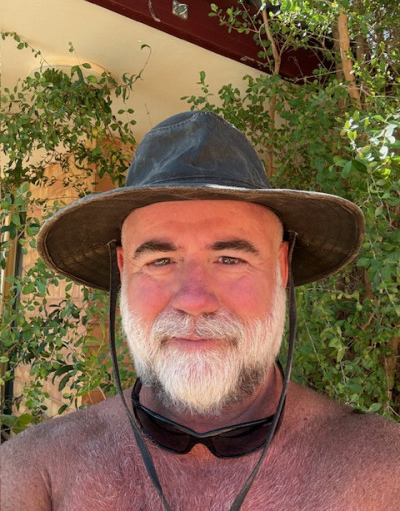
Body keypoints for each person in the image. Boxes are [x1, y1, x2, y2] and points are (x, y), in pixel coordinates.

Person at [1, 112, 399, 510]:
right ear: (123, 270)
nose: (193, 300)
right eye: (159, 261)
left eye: (229, 259)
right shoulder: (36, 473)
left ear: (282, 266)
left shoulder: (383, 472)